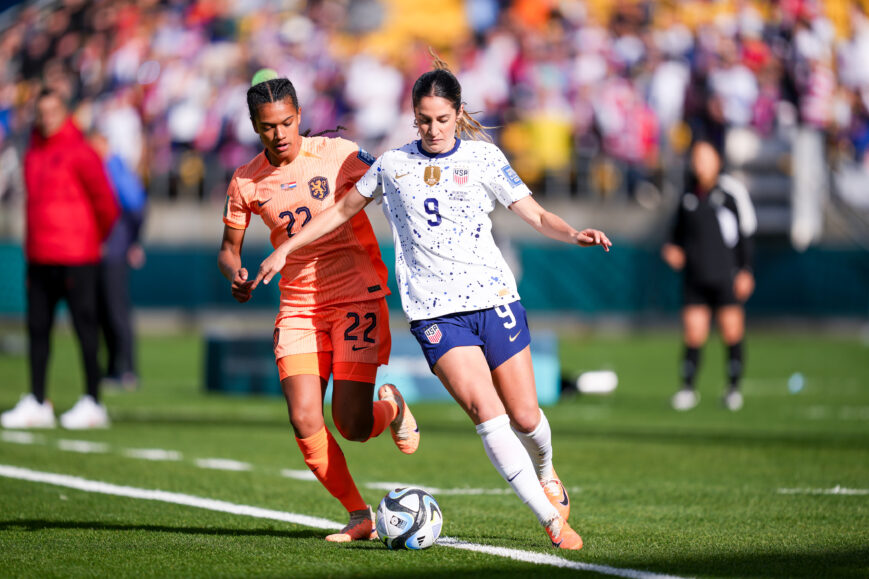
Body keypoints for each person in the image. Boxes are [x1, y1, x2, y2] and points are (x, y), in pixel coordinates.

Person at [250, 58, 613, 550]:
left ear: (458, 114)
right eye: (423, 119)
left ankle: (548, 471)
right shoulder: (393, 165)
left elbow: (535, 213)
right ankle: (552, 520)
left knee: (526, 415)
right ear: (412, 117)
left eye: (442, 119)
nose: (433, 129)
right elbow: (338, 211)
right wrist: (285, 248)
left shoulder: (484, 159)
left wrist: (574, 234)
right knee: (487, 412)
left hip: (494, 299)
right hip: (435, 314)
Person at [217, 77, 418, 543]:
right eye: (268, 127)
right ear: (253, 127)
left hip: (356, 295)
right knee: (305, 417)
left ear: (300, 116)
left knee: (351, 424)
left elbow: (392, 183)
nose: (280, 133)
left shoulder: (339, 155)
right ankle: (358, 514)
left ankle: (391, 405)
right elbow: (229, 249)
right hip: (299, 306)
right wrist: (235, 273)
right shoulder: (245, 181)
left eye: (287, 122)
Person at [1, 89, 119, 430]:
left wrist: (91, 240)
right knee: (37, 330)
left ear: (64, 113)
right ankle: (38, 400)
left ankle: (93, 401)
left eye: (53, 110)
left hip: (77, 256)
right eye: (42, 111)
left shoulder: (81, 151)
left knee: (85, 330)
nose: (47, 117)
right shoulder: (33, 153)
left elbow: (106, 203)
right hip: (39, 256)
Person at [662, 140, 757, 412]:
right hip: (695, 277)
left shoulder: (730, 194)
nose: (700, 163)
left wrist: (745, 270)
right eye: (696, 158)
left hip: (726, 276)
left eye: (706, 157)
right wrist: (672, 251)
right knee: (694, 333)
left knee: (731, 331)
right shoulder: (687, 197)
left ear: (717, 161)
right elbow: (674, 237)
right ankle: (688, 388)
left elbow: (746, 235)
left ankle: (733, 388)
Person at [89, 131, 147, 391]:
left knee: (115, 310)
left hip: (113, 250)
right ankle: (113, 368)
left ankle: (126, 369)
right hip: (98, 250)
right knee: (103, 310)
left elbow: (136, 205)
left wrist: (130, 242)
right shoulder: (100, 167)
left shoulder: (114, 167)